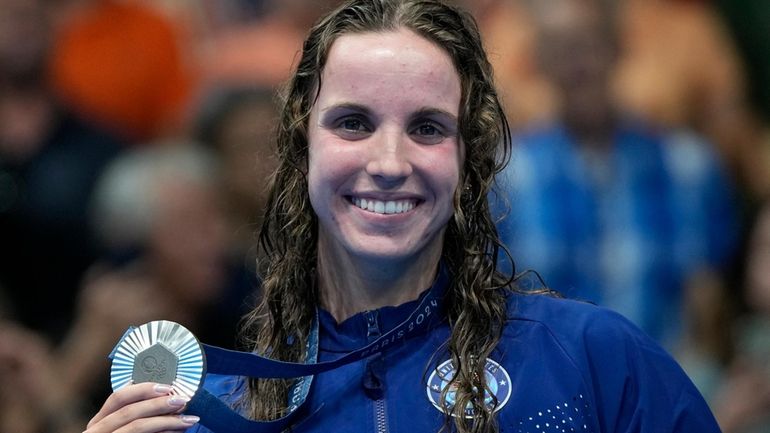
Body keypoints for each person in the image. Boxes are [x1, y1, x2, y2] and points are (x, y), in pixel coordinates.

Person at [84, 1, 720, 432]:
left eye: (427, 128)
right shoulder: (218, 415)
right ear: (302, 145)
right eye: (354, 123)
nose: (389, 162)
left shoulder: (594, 359)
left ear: (467, 159)